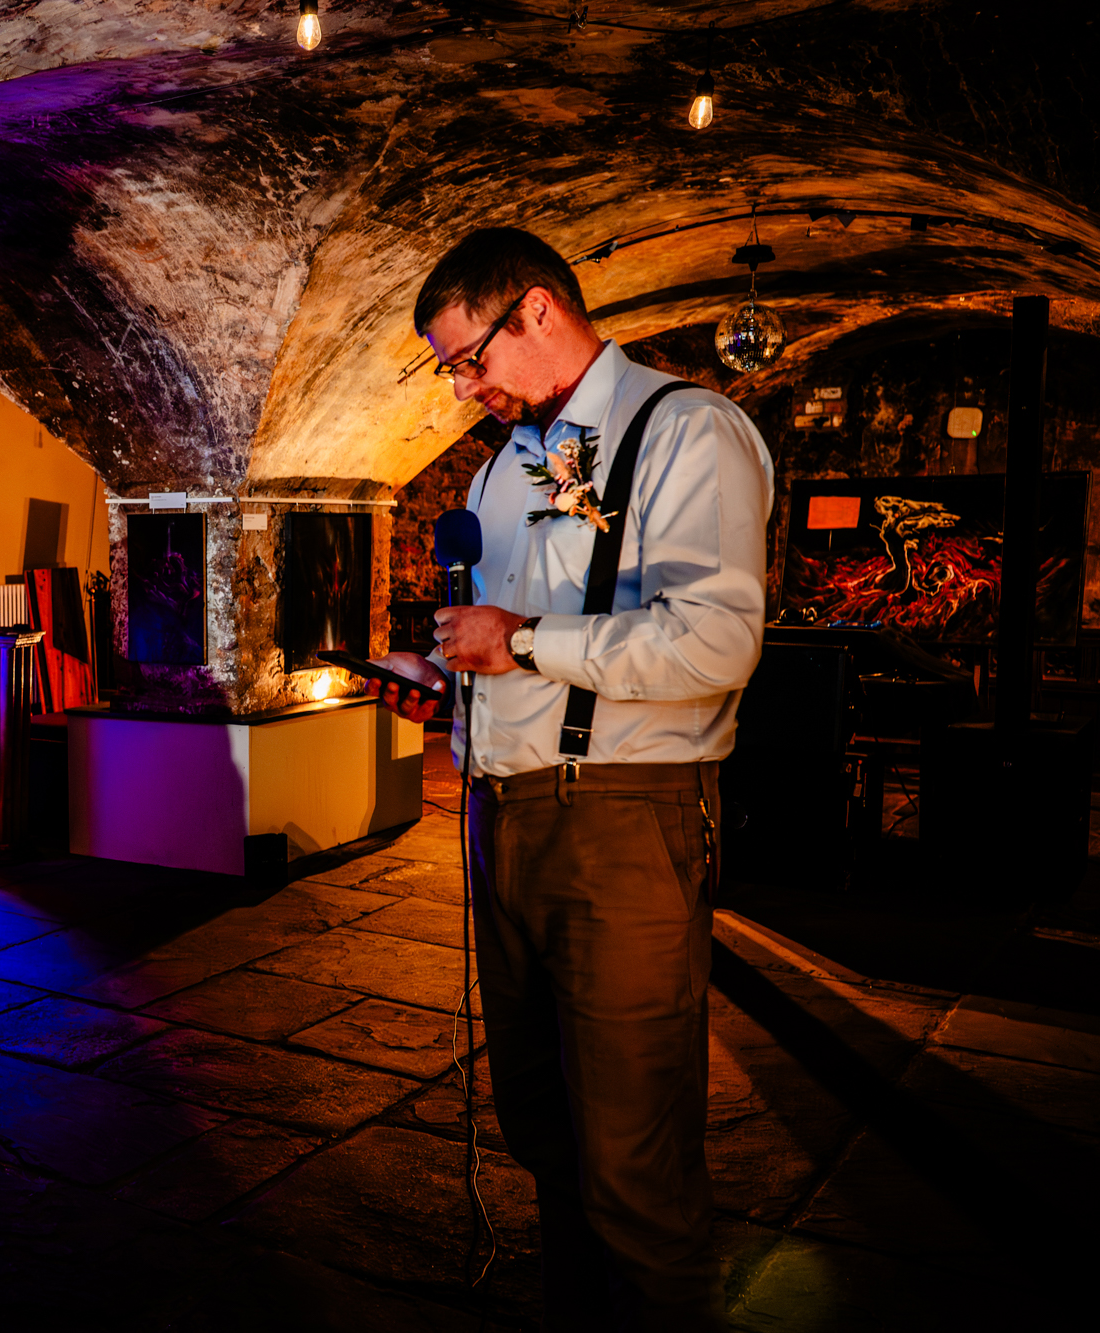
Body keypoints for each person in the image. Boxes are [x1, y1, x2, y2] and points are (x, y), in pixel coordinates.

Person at [371, 228, 772, 1331]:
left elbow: (715, 643)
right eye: (451, 369)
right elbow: (513, 646)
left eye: (469, 358)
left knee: (632, 1155)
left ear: (538, 309)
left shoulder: (683, 429)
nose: (463, 387)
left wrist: (521, 643)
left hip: (623, 824)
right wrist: (447, 684)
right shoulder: (502, 465)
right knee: (543, 1128)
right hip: (501, 819)